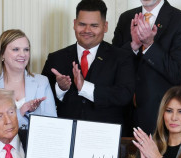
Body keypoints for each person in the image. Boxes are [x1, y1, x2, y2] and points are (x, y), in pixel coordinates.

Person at [41, 0, 135, 135]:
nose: (87, 30)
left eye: (94, 25)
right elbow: (43, 100)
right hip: (65, 136)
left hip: (105, 136)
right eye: (82, 24)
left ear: (105, 26)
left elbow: (124, 95)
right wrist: (60, 88)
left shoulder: (121, 57)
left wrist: (85, 87)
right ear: (74, 24)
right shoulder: (56, 58)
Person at [112, 0, 181, 135]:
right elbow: (113, 65)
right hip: (122, 113)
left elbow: (176, 73)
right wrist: (133, 46)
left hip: (157, 116)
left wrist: (150, 45)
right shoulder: (126, 18)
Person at [0, 29, 57, 134]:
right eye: (16, 49)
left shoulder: (42, 82)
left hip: (34, 148)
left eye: (26, 49)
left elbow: (53, 125)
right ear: (2, 54)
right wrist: (21, 111)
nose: (23, 54)